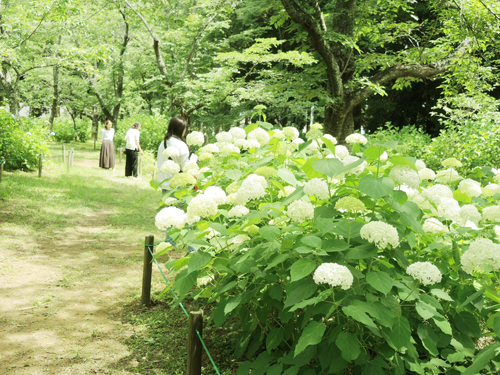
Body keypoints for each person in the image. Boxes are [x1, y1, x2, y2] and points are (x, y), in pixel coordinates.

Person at [157, 116, 197, 192]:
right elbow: (186, 169)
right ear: (182, 130)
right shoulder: (181, 145)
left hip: (164, 184)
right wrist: (194, 159)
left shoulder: (163, 143)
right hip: (178, 187)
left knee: (168, 203)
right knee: (179, 204)